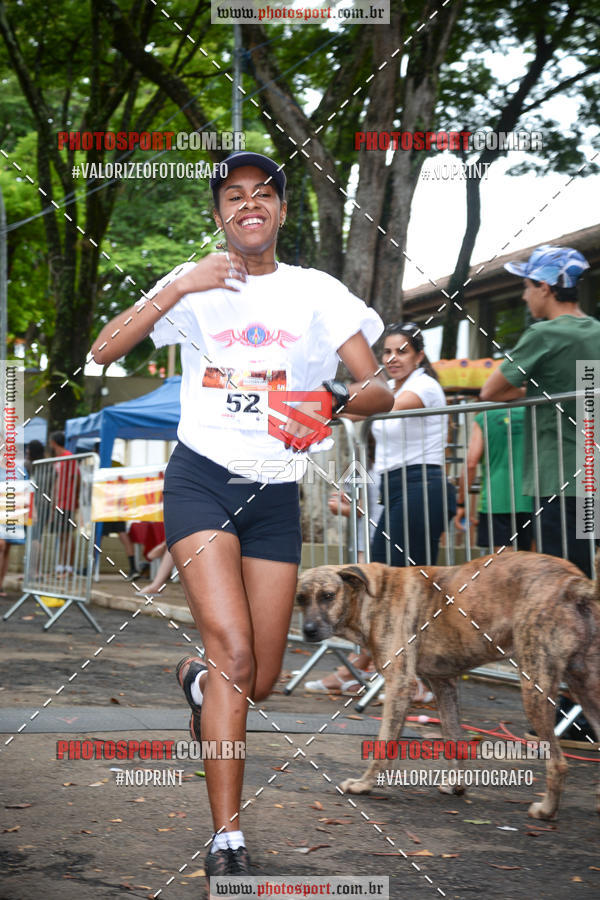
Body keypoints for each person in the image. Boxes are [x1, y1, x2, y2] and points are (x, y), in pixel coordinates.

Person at [91, 151, 394, 881]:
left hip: (273, 498)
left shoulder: (317, 292)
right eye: (233, 195)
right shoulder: (191, 287)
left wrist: (327, 403)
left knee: (255, 679)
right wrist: (177, 288)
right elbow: (103, 351)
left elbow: (378, 386)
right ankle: (227, 836)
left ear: (282, 211)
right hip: (200, 484)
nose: (249, 204)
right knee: (232, 654)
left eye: (263, 193)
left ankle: (199, 684)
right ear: (219, 213)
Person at [480, 244, 600, 577]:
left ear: (544, 288)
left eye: (527, 287)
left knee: (565, 584)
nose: (524, 297)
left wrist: (531, 391)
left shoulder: (543, 333)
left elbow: (490, 390)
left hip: (559, 476)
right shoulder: (596, 331)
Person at [370, 322, 452, 567]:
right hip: (394, 486)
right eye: (387, 352)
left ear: (420, 356)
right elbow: (356, 410)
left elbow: (387, 407)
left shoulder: (424, 386)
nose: (392, 358)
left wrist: (340, 402)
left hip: (421, 484)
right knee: (383, 568)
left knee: (408, 576)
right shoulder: (391, 389)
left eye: (402, 351)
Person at [455, 406, 532, 551]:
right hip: (532, 498)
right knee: (536, 563)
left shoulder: (484, 416)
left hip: (496, 501)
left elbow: (471, 464)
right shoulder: (532, 410)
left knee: (503, 565)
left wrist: (461, 503)